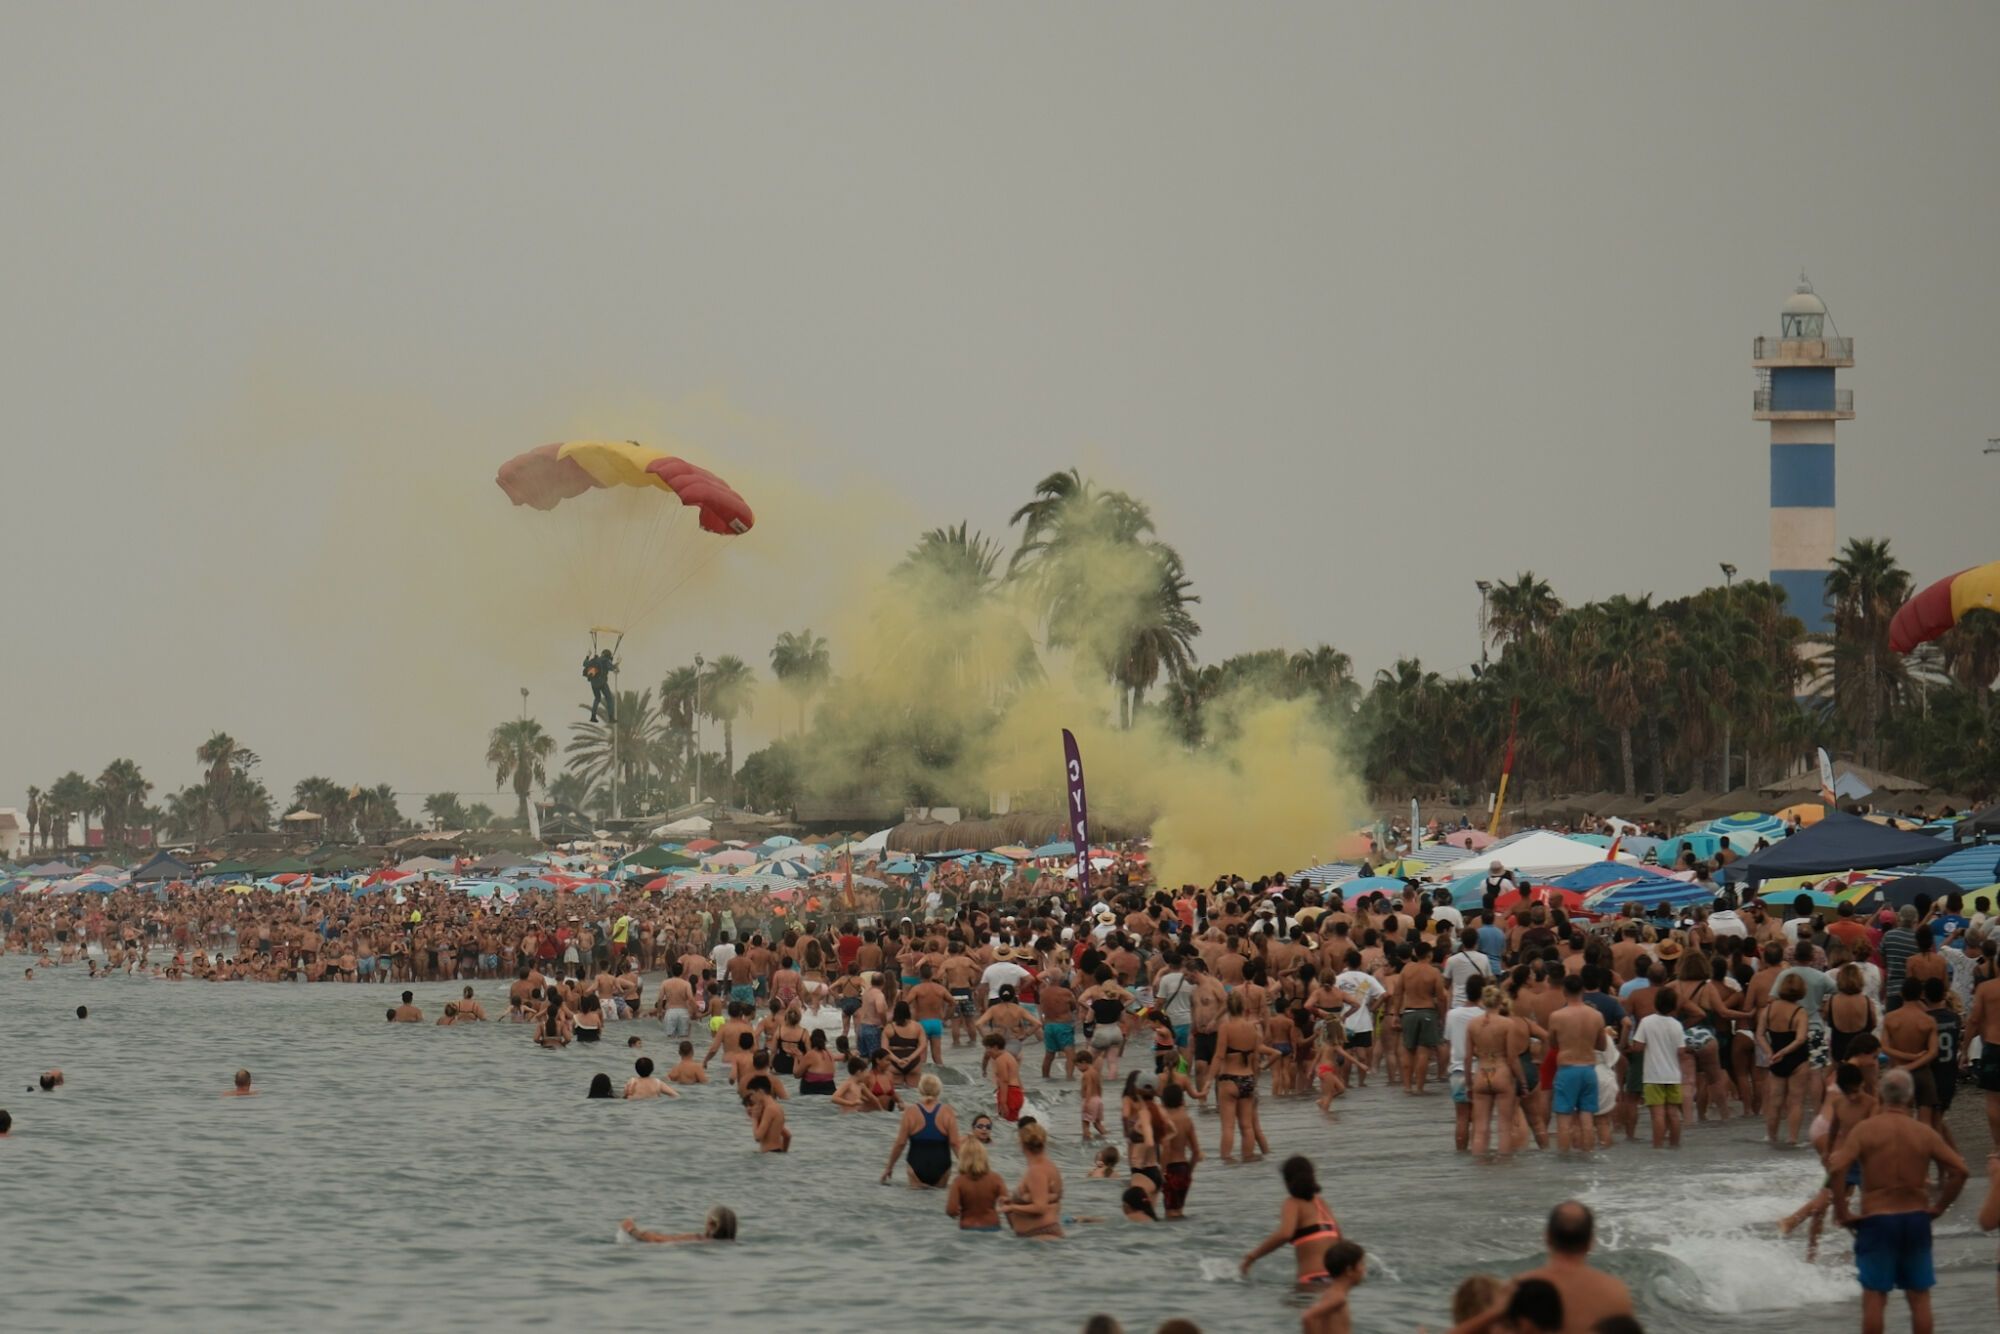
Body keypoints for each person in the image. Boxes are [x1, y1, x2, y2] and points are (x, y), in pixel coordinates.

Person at [1827, 1067, 1969, 1334]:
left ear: (1881, 1094)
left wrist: (1842, 1211)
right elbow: (1961, 1171)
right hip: (1915, 1218)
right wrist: (1939, 1207)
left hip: (1877, 1220)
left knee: (1875, 1296)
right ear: (1910, 1097)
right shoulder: (1923, 1132)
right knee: (1919, 1296)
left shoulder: (1864, 1131)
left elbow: (1837, 1169)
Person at [1240, 1155, 1343, 1284]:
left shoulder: (1292, 1203)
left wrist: (1252, 1257)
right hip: (1335, 1279)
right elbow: (1340, 1240)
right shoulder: (1321, 1204)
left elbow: (1285, 1234)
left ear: (1287, 1182)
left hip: (1312, 1279)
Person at [1630, 986, 1686, 1149]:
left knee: (1657, 1115)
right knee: (1673, 1113)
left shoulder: (1646, 1022)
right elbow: (1681, 1051)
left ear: (1655, 1003)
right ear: (1674, 1006)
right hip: (1673, 1076)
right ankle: (1675, 1146)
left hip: (1653, 1076)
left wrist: (1630, 1047)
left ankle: (1658, 1147)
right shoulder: (1677, 1025)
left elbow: (1638, 1047)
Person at [882, 1072, 959, 1188]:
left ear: (920, 1089)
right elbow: (954, 1143)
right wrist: (968, 1169)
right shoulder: (947, 1111)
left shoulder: (910, 1111)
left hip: (916, 1165)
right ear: (939, 1090)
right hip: (942, 1166)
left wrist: (889, 1168)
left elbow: (900, 1143)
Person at [1000, 1121, 1065, 1238]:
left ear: (1021, 1144)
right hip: (1045, 1234)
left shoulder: (1036, 1171)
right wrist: (1012, 1200)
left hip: (1040, 1235)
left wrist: (1012, 1207)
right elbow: (1044, 1197)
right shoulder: (1050, 1167)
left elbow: (1040, 1207)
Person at [1299, 1239, 1366, 1334]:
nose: (1364, 1269)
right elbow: (1308, 1317)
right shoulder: (1338, 1297)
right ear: (1349, 1270)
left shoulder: (1332, 1293)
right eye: (1362, 1264)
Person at [945, 1140, 1007, 1230]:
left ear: (963, 1158)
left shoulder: (959, 1182)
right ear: (984, 1156)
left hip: (968, 1227)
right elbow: (1007, 1205)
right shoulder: (996, 1178)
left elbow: (951, 1210)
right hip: (993, 1226)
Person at [619, 1207, 736, 1243]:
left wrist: (631, 1229)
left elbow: (659, 1240)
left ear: (710, 1224)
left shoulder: (697, 1238)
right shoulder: (733, 1244)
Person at [742, 1075, 790, 1152]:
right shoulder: (777, 1107)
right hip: (775, 1153)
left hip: (770, 1155)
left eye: (753, 1093)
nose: (751, 1098)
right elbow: (787, 1135)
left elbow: (758, 1137)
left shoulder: (769, 1109)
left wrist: (754, 1118)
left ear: (760, 1091)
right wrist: (783, 1153)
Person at [583, 647, 616, 723]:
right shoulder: (606, 661)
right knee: (609, 699)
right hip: (602, 683)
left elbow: (585, 663)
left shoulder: (594, 659)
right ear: (608, 656)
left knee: (597, 698)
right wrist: (617, 662)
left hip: (593, 683)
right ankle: (611, 718)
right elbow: (612, 668)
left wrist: (588, 655)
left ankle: (593, 717)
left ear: (602, 654)